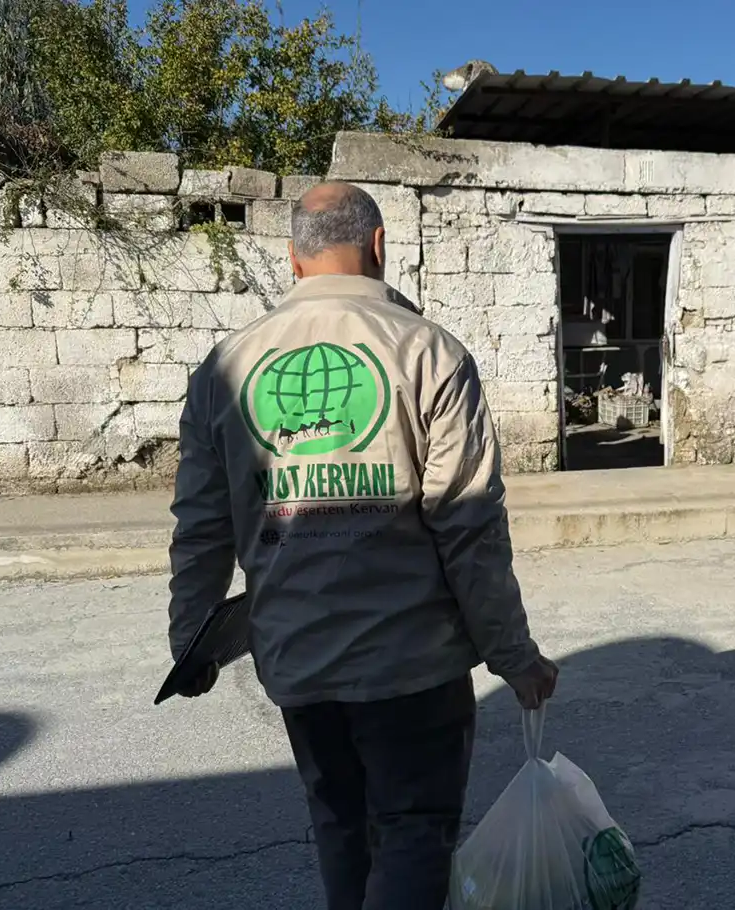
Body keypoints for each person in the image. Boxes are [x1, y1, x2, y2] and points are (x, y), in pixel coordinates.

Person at [165, 181, 559, 910]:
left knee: (340, 828)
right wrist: (514, 656)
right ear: (379, 247)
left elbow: (202, 525)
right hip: (413, 668)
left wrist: (192, 640)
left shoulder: (223, 369)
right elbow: (469, 525)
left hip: (297, 661)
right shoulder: (430, 353)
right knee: (412, 835)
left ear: (292, 260)